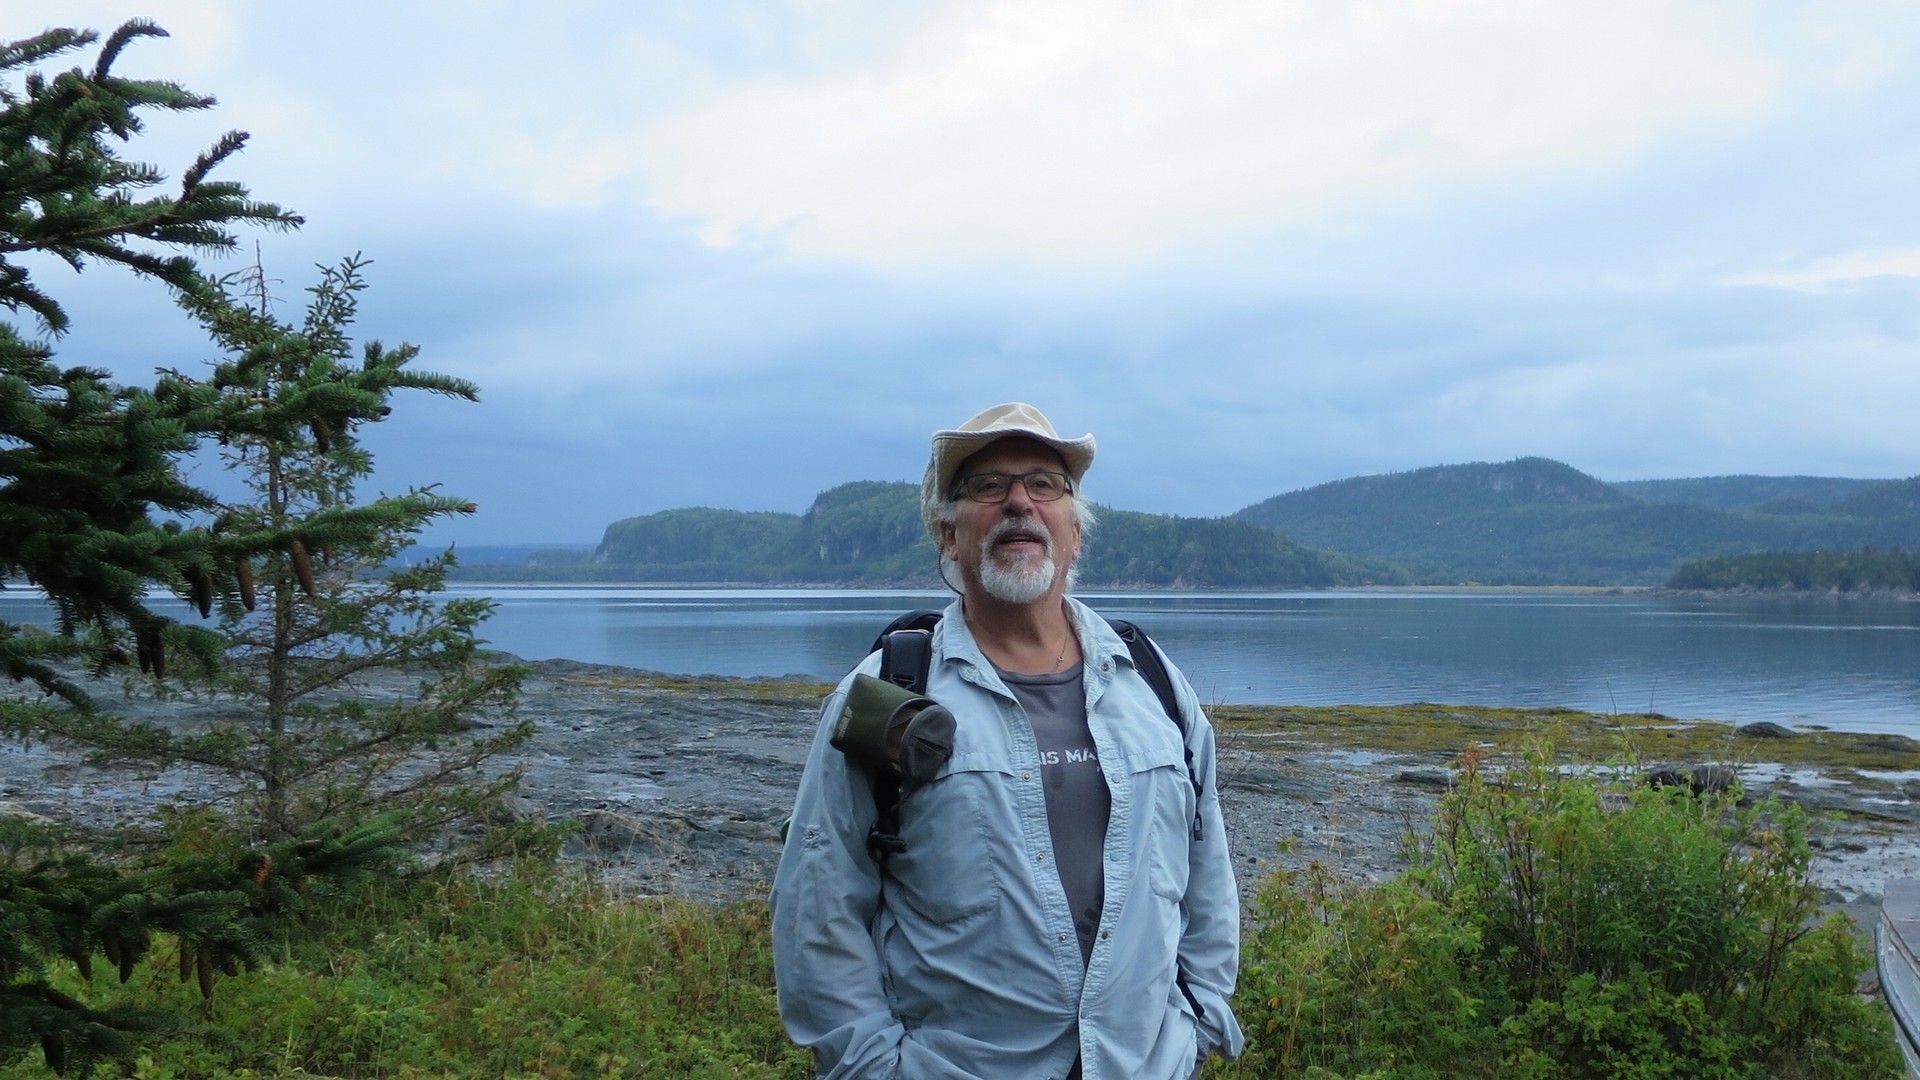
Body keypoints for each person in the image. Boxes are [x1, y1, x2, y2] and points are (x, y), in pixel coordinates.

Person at [771, 402, 1244, 1079]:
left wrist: (1197, 1021)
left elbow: (1207, 869)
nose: (1019, 502)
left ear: (1075, 532)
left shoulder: (1153, 682)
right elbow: (819, 902)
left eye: (1044, 484)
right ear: (949, 534)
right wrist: (873, 1066)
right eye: (988, 486)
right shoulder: (887, 691)